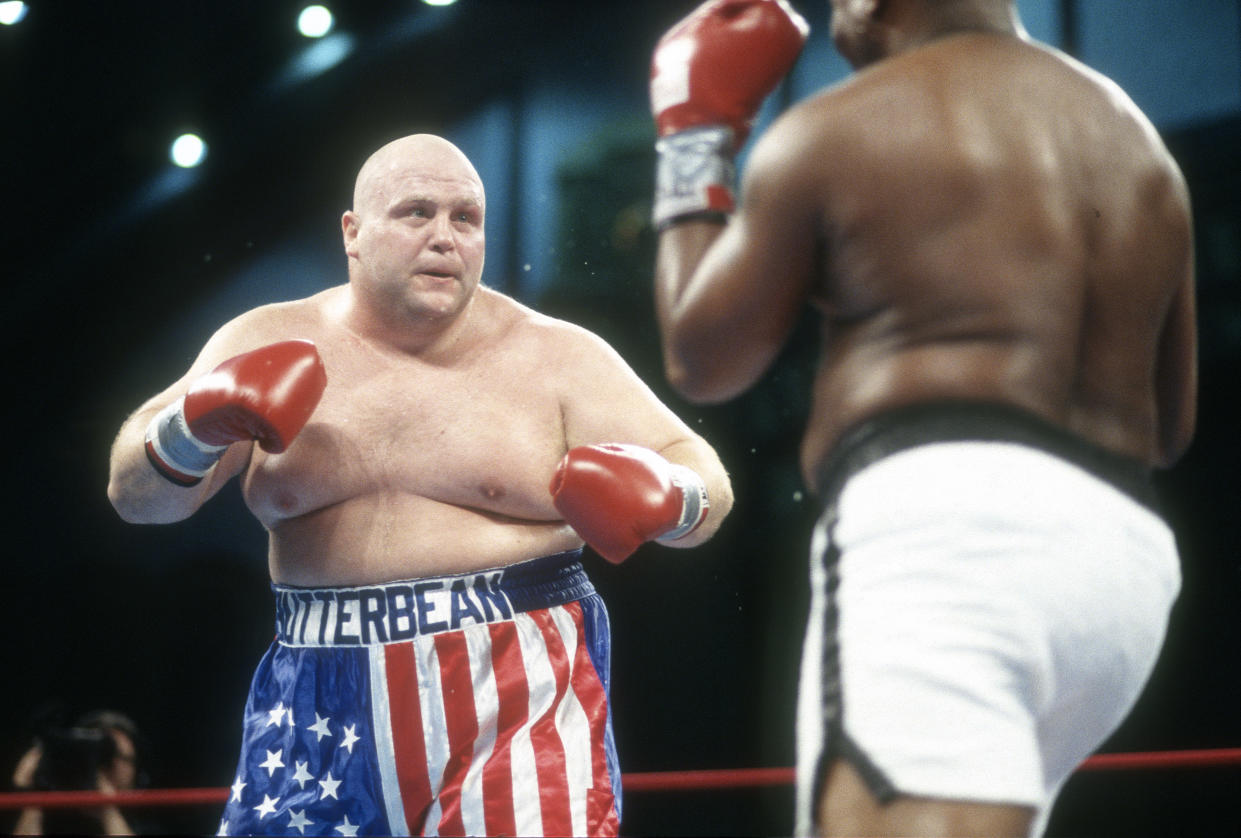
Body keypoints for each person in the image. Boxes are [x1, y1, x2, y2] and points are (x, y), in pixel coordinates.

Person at [647, 1, 1195, 836]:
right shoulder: (1138, 146)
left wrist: (693, 136)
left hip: (948, 544)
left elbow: (703, 355)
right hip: (1122, 575)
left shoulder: (836, 127)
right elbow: (1170, 425)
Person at [107, 133, 733, 837]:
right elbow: (139, 501)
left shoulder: (557, 356)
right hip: (315, 694)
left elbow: (702, 474)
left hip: (509, 694)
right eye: (415, 213)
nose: (444, 238)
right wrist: (188, 431)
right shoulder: (266, 337)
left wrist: (674, 498)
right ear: (353, 232)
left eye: (465, 219)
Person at [11, 710, 144, 835]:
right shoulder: (50, 817)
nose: (111, 766)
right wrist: (36, 792)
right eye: (103, 756)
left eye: (123, 758)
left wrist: (108, 810)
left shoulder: (147, 819)